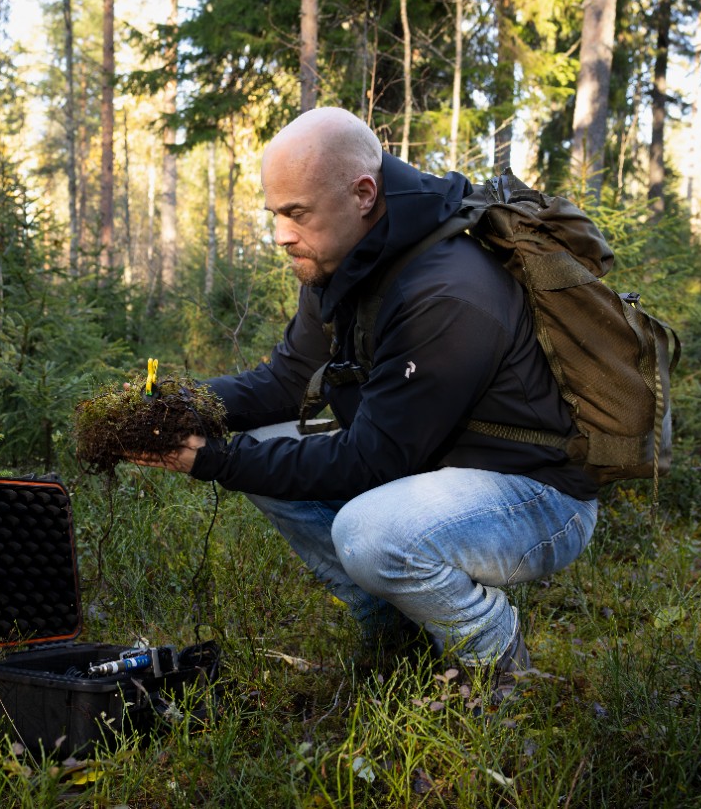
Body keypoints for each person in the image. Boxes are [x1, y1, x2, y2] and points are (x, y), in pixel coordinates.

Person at [133, 106, 599, 679]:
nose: (281, 234)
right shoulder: (338, 258)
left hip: (536, 494)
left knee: (369, 532)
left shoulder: (447, 290)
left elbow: (373, 460)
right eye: (275, 213)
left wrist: (217, 461)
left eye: (297, 213)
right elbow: (283, 383)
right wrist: (183, 404)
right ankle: (395, 637)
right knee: (261, 439)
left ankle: (497, 663)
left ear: (362, 193)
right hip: (430, 471)